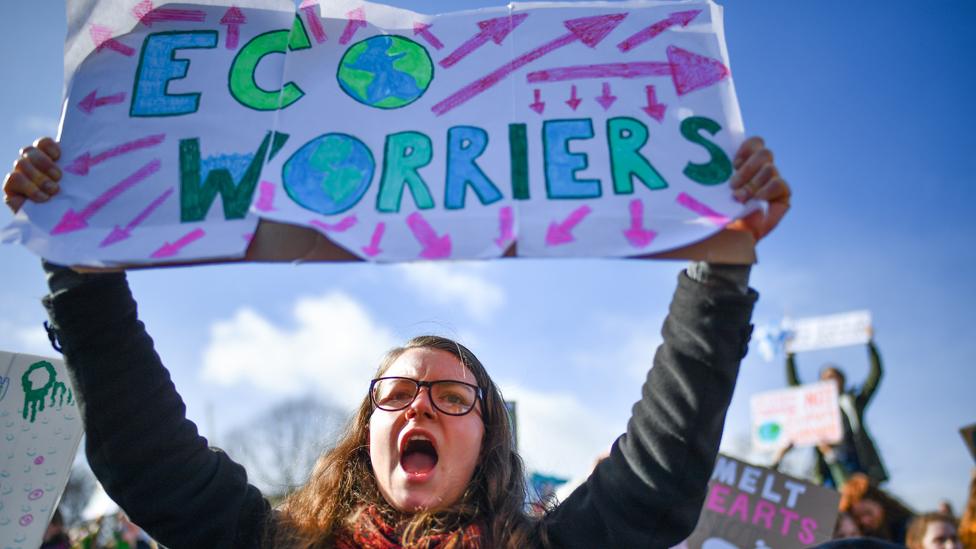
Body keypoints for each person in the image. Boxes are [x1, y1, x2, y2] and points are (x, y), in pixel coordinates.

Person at [4, 135, 790, 548]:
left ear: (487, 438)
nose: (423, 404)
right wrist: (83, 273)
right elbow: (152, 458)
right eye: (398, 393)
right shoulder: (273, 543)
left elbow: (657, 477)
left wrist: (718, 275)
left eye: (453, 396)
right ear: (367, 430)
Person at [786, 336, 888, 487]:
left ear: (842, 380)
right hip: (827, 462)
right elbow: (795, 386)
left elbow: (876, 375)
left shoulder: (853, 401)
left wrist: (870, 344)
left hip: (856, 460)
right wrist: (790, 356)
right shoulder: (815, 404)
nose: (830, 381)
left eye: (834, 377)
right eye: (826, 378)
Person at [839, 473, 915, 544]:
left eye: (868, 512)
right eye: (857, 517)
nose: (865, 521)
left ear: (881, 504)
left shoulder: (908, 529)